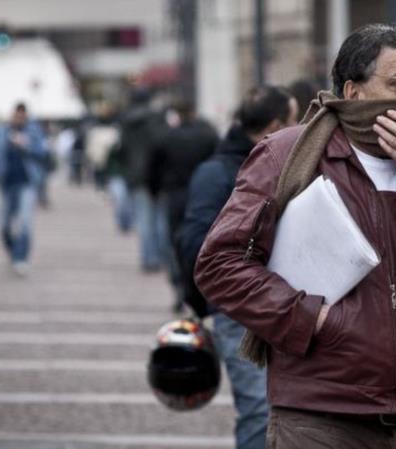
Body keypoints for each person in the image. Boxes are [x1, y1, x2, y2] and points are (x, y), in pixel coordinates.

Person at [194, 23, 396, 448]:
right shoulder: (287, 154)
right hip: (320, 419)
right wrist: (313, 319)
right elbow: (219, 264)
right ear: (353, 92)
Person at [176, 85, 297, 449]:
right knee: (259, 409)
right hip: (241, 309)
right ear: (276, 125)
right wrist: (203, 303)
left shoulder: (286, 164)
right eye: (295, 120)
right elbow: (193, 244)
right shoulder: (218, 173)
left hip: (289, 304)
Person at [148, 99, 219, 312]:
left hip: (174, 195)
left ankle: (179, 285)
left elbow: (153, 168)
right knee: (202, 241)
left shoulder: (167, 137)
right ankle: (200, 286)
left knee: (174, 244)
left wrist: (155, 190)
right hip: (202, 194)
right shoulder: (208, 136)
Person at [0, 103, 47, 276]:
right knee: (3, 226)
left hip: (27, 182)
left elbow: (43, 153)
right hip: (6, 183)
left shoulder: (33, 131)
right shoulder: (1, 132)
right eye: (16, 115)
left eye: (22, 116)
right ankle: (13, 251)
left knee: (25, 222)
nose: (18, 119)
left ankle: (21, 257)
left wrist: (26, 145)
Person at [120, 89, 170, 272]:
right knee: (160, 219)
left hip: (136, 175)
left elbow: (123, 149)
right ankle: (161, 256)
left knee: (143, 219)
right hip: (158, 175)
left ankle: (148, 258)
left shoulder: (126, 121)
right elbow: (164, 144)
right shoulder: (157, 118)